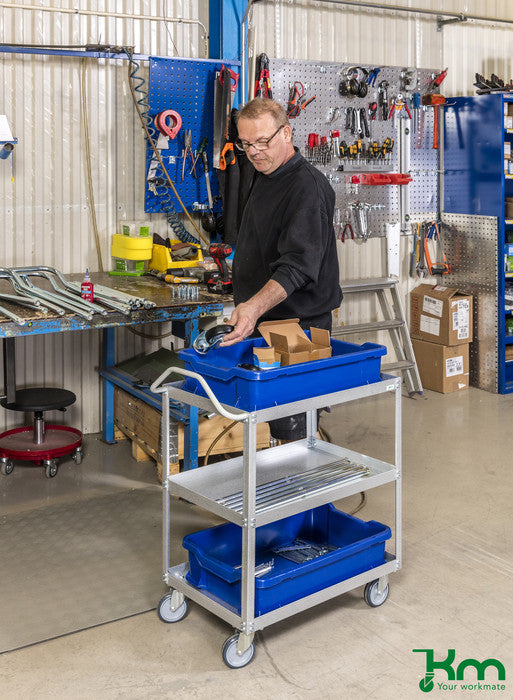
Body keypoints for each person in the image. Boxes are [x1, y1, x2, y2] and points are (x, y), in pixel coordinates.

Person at [220, 97, 342, 440]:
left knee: (294, 426)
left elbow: (298, 267)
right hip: (265, 320)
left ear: (286, 133)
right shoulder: (265, 173)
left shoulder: (306, 188)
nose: (254, 152)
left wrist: (252, 306)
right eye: (246, 144)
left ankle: (306, 473)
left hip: (298, 326)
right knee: (270, 417)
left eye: (262, 141)